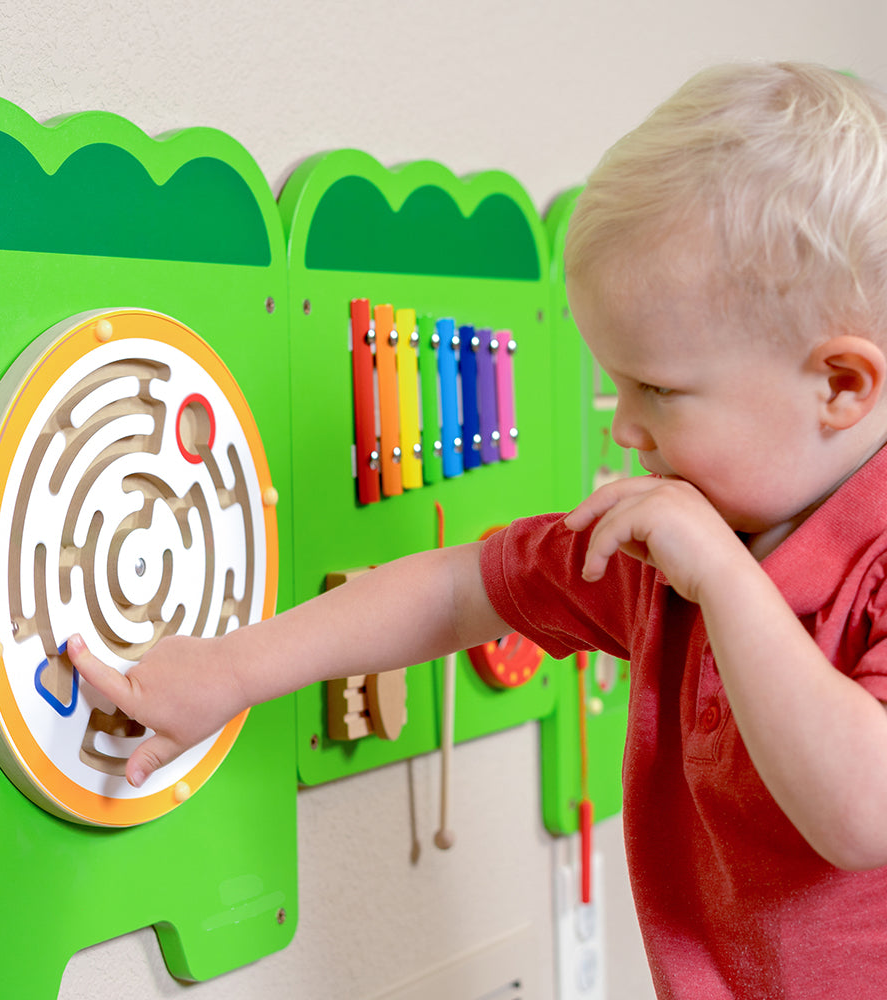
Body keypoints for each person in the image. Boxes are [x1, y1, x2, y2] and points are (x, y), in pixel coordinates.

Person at [69, 61, 887, 998]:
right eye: (616, 384)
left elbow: (862, 811)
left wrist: (726, 584)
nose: (623, 426)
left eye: (657, 389)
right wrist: (232, 670)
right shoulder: (675, 545)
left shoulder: (779, 558)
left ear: (840, 386)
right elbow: (460, 589)